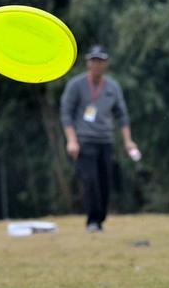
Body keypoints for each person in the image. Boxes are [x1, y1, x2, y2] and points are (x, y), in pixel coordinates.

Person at [60, 45, 139, 232]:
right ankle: (92, 220)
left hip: (106, 140)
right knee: (90, 181)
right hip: (84, 141)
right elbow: (66, 113)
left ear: (106, 64)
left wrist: (128, 141)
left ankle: (100, 219)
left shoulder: (112, 86)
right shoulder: (76, 85)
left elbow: (122, 115)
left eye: (100, 61)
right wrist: (71, 140)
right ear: (88, 63)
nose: (96, 64)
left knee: (105, 182)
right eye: (93, 60)